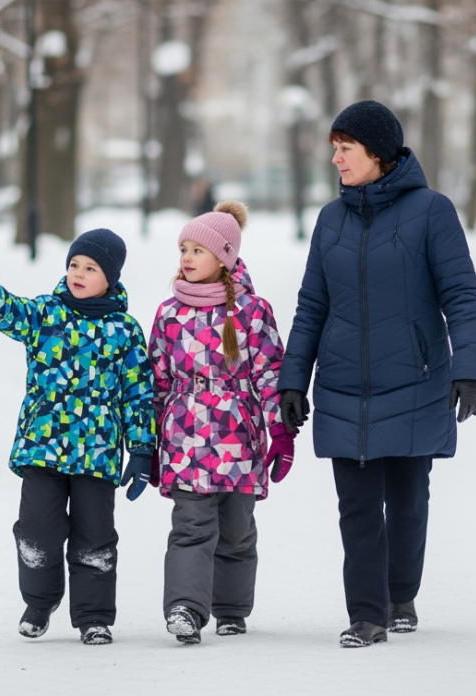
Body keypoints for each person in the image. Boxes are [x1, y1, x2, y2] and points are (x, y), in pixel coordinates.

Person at [276, 100, 476, 648]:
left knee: (409, 498)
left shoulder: (431, 211)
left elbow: (461, 295)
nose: (337, 160)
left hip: (416, 380)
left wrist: (469, 369)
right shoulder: (330, 219)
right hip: (344, 384)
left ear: (378, 153)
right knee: (358, 507)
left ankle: (400, 593)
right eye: (334, 149)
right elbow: (310, 306)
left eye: (346, 149)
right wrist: (293, 379)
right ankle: (366, 615)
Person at [0, 228, 157, 646]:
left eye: (91, 268)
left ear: (111, 278)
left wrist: (141, 449)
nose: (78, 274)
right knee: (36, 534)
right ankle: (40, 601)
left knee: (95, 540)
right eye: (74, 265)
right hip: (42, 450)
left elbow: (138, 393)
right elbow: (10, 311)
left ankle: (94, 617)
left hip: (97, 457)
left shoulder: (125, 331)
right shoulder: (46, 314)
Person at [147, 200, 294, 645]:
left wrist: (281, 432)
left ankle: (231, 608)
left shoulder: (252, 312)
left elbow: (270, 373)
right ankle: (185, 609)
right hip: (184, 438)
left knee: (236, 530)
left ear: (225, 257)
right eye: (183, 249)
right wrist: (147, 442)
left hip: (238, 439)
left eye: (197, 250)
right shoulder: (169, 313)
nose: (186, 258)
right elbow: (155, 380)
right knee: (190, 526)